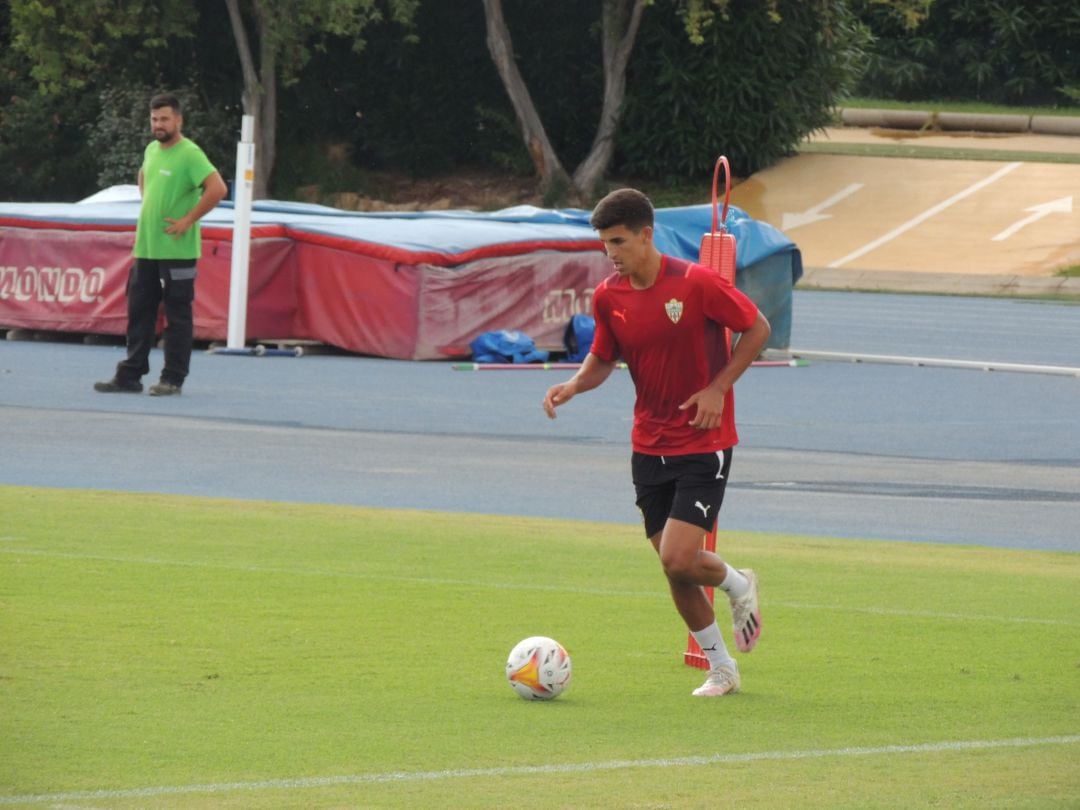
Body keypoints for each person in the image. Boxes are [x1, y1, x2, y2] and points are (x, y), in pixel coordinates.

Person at [543, 188, 771, 697]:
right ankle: (723, 669)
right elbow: (604, 357)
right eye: (605, 244)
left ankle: (738, 584)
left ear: (647, 234)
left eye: (619, 241)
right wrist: (575, 384)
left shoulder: (696, 283)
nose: (612, 253)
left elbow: (757, 327)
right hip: (648, 446)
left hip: (702, 442)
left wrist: (718, 388)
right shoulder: (609, 297)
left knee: (675, 556)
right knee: (676, 570)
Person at [94, 93, 227, 396]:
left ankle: (172, 379)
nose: (159, 124)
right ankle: (130, 375)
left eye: (165, 119)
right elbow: (144, 176)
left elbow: (217, 188)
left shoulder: (190, 153)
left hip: (177, 251)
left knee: (178, 315)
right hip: (147, 247)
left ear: (178, 120)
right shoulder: (152, 150)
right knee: (139, 311)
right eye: (155, 119)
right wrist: (149, 205)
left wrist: (187, 219)